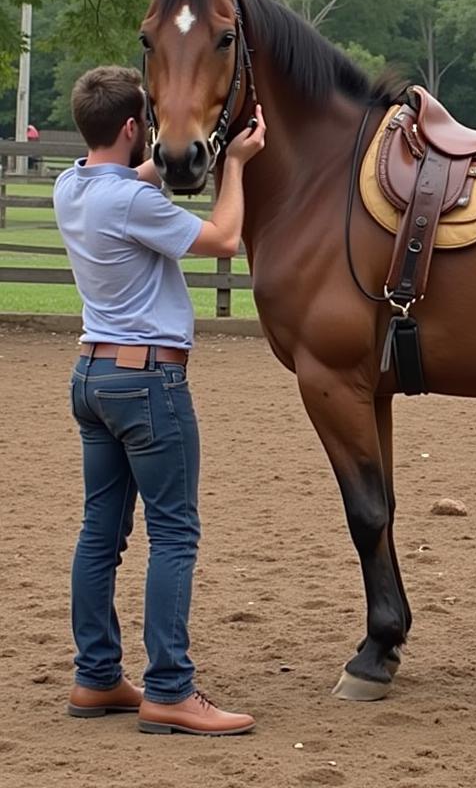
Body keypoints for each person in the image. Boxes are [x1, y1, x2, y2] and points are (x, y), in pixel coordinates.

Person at [53, 65, 265, 736]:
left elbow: (131, 180)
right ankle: (170, 688)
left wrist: (154, 163)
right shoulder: (133, 205)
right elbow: (225, 239)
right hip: (149, 384)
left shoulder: (71, 186)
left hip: (92, 378)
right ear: (129, 126)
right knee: (174, 534)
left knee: (100, 535)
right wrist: (234, 164)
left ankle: (96, 678)